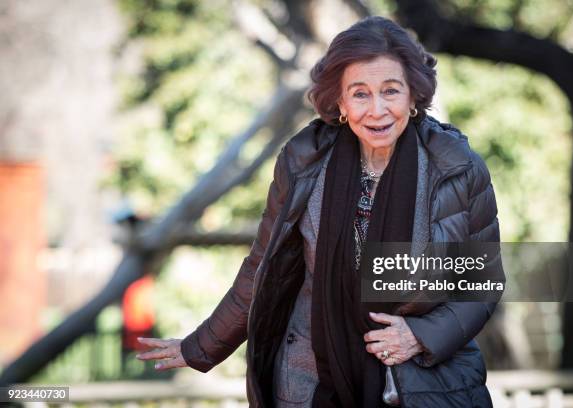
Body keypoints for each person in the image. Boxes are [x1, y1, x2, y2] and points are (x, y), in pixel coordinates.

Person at [136, 15, 503, 408]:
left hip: (423, 386)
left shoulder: (456, 168)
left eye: (391, 91)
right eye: (360, 94)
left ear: (413, 95)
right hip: (311, 382)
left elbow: (480, 288)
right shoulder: (303, 161)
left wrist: (420, 335)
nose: (377, 109)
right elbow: (261, 268)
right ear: (340, 102)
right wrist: (200, 346)